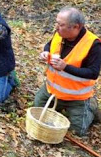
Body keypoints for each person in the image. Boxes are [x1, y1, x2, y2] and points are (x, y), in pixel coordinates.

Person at [34, 7, 101, 136]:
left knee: (77, 132)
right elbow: (49, 44)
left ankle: (91, 107)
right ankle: (59, 107)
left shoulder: (93, 45)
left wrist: (66, 67)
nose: (57, 27)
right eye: (57, 23)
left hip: (76, 97)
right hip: (51, 91)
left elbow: (93, 73)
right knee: (37, 114)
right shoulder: (59, 34)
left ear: (76, 27)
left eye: (61, 24)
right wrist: (46, 52)